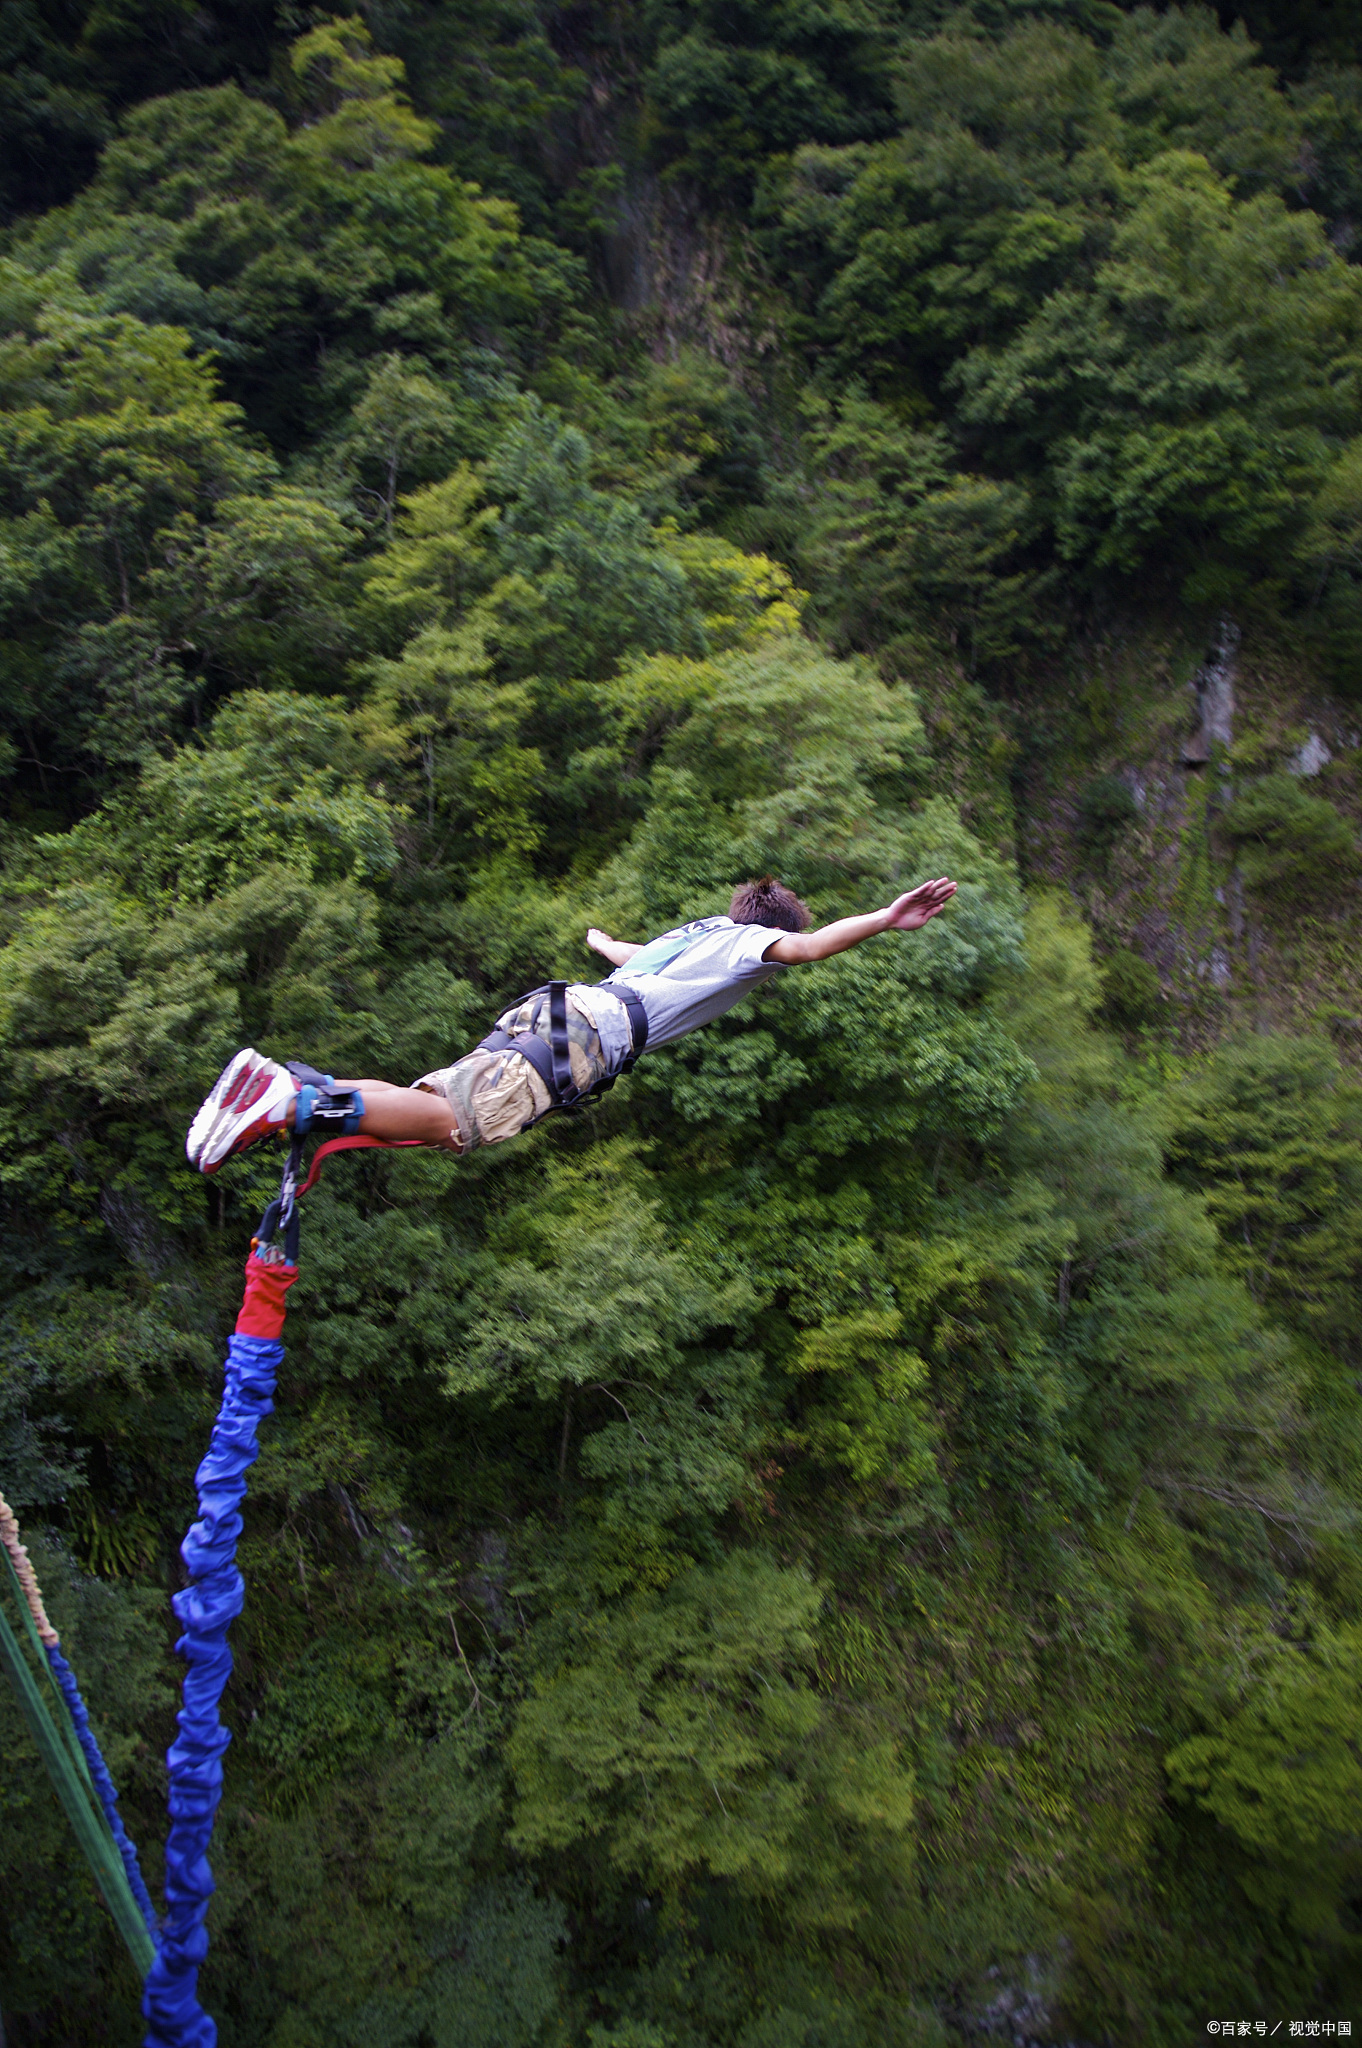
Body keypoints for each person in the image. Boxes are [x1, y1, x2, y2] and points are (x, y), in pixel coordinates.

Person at [186, 874, 958, 1174]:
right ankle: (290, 1099)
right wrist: (885, 919)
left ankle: (291, 1087)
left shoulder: (696, 931)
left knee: (438, 1111)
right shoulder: (747, 946)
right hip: (589, 1038)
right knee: (456, 1120)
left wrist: (600, 940)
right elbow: (811, 947)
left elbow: (627, 954)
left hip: (558, 1009)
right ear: (769, 929)